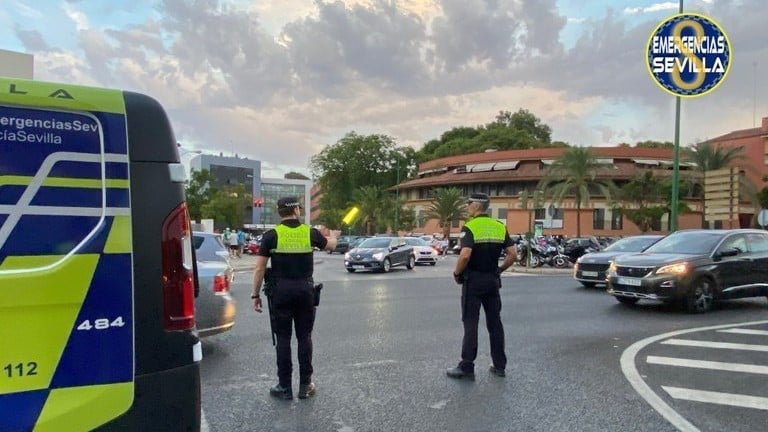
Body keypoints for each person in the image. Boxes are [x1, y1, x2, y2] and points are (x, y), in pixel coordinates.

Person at [251, 197, 336, 400]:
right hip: (305, 290)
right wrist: (333, 236)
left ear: (280, 212)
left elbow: (259, 268)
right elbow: (330, 245)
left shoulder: (271, 236)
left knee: (283, 339)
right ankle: (305, 385)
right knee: (304, 337)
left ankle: (284, 386)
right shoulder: (309, 232)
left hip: (280, 291)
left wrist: (255, 294)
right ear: (296, 210)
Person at [447, 193, 517, 380]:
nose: (467, 206)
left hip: (474, 281)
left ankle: (467, 366)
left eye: (469, 203)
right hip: (492, 281)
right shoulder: (499, 227)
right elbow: (512, 254)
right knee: (495, 323)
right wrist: (500, 270)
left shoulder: (470, 227)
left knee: (471, 322)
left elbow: (465, 255)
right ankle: (499, 365)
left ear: (476, 206)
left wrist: (457, 273)